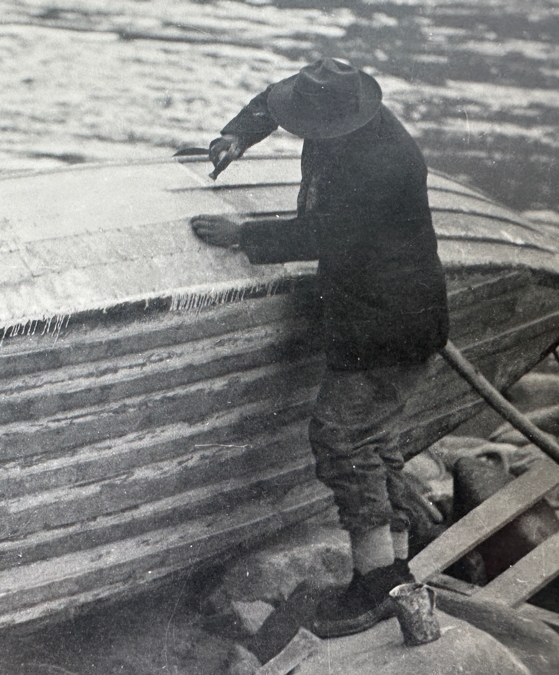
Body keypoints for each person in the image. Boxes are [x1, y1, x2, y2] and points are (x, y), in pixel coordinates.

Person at [190, 58, 450, 652]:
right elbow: (271, 102)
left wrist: (244, 236)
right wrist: (237, 134)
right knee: (376, 440)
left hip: (387, 321)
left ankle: (376, 583)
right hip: (393, 313)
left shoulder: (384, 163)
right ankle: (398, 571)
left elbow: (322, 235)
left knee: (341, 440)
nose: (300, 128)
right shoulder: (345, 112)